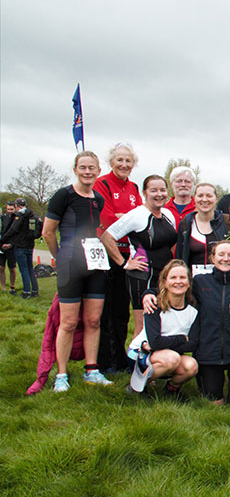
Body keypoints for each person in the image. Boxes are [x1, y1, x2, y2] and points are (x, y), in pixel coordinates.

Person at [41, 151, 114, 390]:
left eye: (92, 167)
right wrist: (59, 256)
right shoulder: (63, 195)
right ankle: (61, 375)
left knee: (93, 320)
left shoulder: (98, 199)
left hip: (94, 265)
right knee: (69, 322)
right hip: (70, 263)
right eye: (83, 167)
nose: (87, 172)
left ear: (98, 170)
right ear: (75, 169)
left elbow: (97, 231)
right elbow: (48, 232)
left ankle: (91, 370)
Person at [169, 240, 230, 407]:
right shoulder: (200, 282)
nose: (225, 259)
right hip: (208, 354)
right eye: (221, 254)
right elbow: (173, 285)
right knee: (214, 408)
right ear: (212, 258)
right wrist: (148, 293)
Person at [100, 175, 178, 340]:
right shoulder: (136, 215)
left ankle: (157, 363)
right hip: (142, 276)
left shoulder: (168, 214)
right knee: (143, 325)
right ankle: (135, 364)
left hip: (164, 276)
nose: (159, 194)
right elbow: (108, 237)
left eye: (162, 190)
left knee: (164, 322)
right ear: (144, 193)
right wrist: (124, 263)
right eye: (153, 190)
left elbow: (169, 244)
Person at [93, 142, 141, 374]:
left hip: (127, 255)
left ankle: (119, 358)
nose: (124, 164)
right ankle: (103, 360)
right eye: (120, 160)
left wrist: (126, 218)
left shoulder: (133, 187)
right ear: (111, 162)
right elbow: (108, 220)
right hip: (106, 254)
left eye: (128, 161)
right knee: (104, 310)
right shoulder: (101, 183)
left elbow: (139, 218)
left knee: (122, 310)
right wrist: (125, 219)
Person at [127, 260, 199, 397]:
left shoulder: (193, 311)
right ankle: (136, 387)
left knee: (191, 366)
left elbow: (193, 344)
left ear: (189, 282)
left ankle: (171, 390)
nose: (178, 282)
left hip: (164, 353)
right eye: (173, 277)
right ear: (165, 282)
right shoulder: (154, 305)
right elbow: (154, 341)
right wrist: (181, 338)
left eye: (182, 277)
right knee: (172, 358)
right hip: (140, 352)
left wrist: (159, 345)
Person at [174, 182, 227, 275]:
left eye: (209, 196)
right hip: (194, 283)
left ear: (216, 198)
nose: (205, 199)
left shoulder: (226, 222)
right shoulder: (186, 223)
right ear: (194, 198)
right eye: (200, 196)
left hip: (221, 281)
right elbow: (179, 256)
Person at [0, 198, 40, 298]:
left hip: (20, 246)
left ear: (17, 206)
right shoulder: (32, 215)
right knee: (30, 268)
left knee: (24, 269)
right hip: (30, 245)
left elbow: (13, 229)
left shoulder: (19, 216)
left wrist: (4, 239)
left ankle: (26, 291)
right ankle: (35, 291)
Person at [1, 201, 16, 292]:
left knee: (12, 268)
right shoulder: (3, 218)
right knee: (1, 268)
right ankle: (3, 287)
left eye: (11, 209)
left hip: (12, 247)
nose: (10, 211)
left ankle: (12, 286)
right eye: (8, 209)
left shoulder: (17, 218)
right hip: (2, 246)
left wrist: (11, 244)